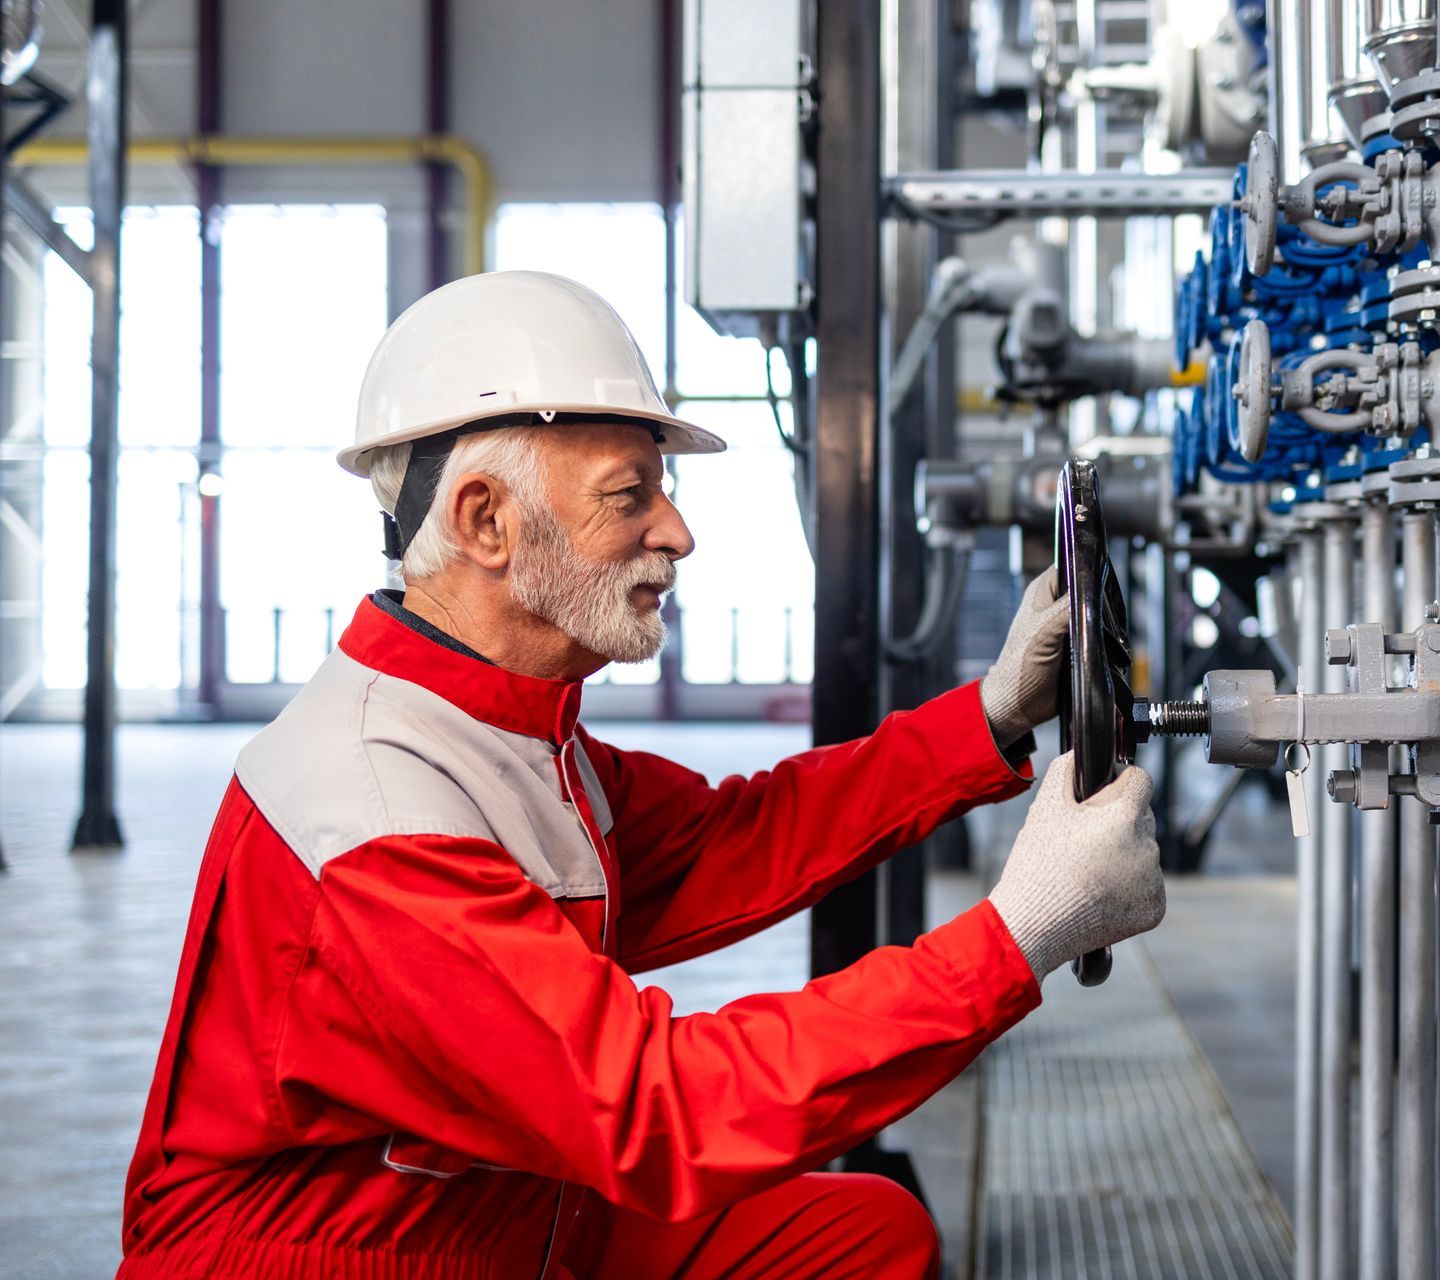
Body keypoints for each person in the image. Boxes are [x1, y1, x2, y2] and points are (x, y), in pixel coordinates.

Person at [117, 271, 1165, 1280]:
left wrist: (990, 714)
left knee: (863, 1234)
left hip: (498, 1209)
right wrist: (1019, 933)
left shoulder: (502, 729)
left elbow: (740, 837)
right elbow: (656, 1109)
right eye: (631, 496)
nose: (678, 533)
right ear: (486, 521)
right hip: (343, 1257)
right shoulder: (382, 822)